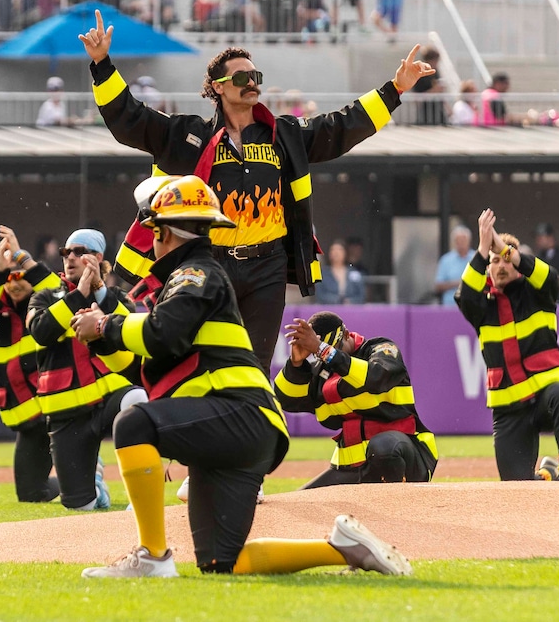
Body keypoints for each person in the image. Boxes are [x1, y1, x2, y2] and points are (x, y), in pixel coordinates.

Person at [72, 176, 410, 578]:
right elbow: (144, 363)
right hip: (247, 429)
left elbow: (162, 333)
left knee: (132, 424)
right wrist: (101, 339)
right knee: (222, 563)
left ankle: (152, 556)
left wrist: (105, 324)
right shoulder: (192, 280)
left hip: (236, 417)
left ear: (163, 232)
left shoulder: (196, 275)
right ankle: (344, 550)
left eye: (153, 232)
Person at [80, 9, 435, 368]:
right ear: (217, 86)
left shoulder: (285, 134)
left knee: (255, 365)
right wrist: (102, 65)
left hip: (268, 267)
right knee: (198, 360)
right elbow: (130, 119)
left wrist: (395, 89)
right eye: (241, 77)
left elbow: (341, 126)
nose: (251, 82)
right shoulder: (188, 135)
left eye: (255, 76)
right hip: (208, 264)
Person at [26, 228, 146, 511]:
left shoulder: (114, 296)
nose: (70, 258)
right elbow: (41, 331)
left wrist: (100, 291)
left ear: (98, 258)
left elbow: (133, 330)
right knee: (82, 507)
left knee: (138, 399)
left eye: (80, 252)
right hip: (66, 411)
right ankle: (96, 483)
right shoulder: (44, 297)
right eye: (66, 252)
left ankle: (141, 497)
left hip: (109, 397)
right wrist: (79, 295)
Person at [456, 209, 559, 481]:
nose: (501, 265)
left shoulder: (538, 292)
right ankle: (547, 475)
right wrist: (482, 249)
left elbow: (550, 276)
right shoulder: (481, 306)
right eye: (494, 261)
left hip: (545, 396)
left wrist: (503, 247)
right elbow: (465, 296)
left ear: (517, 263)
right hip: (509, 408)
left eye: (506, 259)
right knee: (516, 487)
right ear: (488, 268)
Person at [275, 310, 437, 487]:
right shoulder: (323, 370)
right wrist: (295, 364)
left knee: (384, 448)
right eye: (318, 352)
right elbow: (288, 401)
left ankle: (400, 500)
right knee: (303, 500)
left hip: (406, 454)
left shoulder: (381, 349)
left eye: (332, 348)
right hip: (351, 468)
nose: (326, 357)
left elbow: (376, 377)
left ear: (346, 334)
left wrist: (323, 350)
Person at [0, 225, 62, 503]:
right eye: (10, 277)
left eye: (22, 276)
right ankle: (86, 475)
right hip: (27, 422)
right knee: (31, 495)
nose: (16, 282)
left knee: (77, 492)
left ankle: (87, 474)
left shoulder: (46, 308)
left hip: (56, 414)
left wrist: (23, 260)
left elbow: (62, 294)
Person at [313, 240, 365, 305]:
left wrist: (350, 301)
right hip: (329, 308)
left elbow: (361, 295)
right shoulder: (322, 274)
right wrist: (337, 300)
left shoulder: (354, 273)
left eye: (339, 250)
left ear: (345, 253)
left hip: (351, 308)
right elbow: (320, 295)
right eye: (333, 250)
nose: (336, 253)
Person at [433, 225, 473, 306]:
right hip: (450, 306)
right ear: (454, 242)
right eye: (458, 241)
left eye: (463, 240)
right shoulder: (446, 260)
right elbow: (438, 286)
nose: (461, 243)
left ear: (469, 241)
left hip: (472, 306)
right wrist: (458, 283)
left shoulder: (476, 258)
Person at [534, 223, 559, 302]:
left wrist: (552, 288)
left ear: (550, 237)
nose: (538, 241)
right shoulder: (539, 257)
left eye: (541, 238)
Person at [412, 47, 447, 125]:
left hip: (438, 112)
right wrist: (434, 90)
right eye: (435, 60)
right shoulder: (420, 75)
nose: (436, 63)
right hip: (426, 115)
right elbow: (417, 97)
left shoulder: (435, 72)